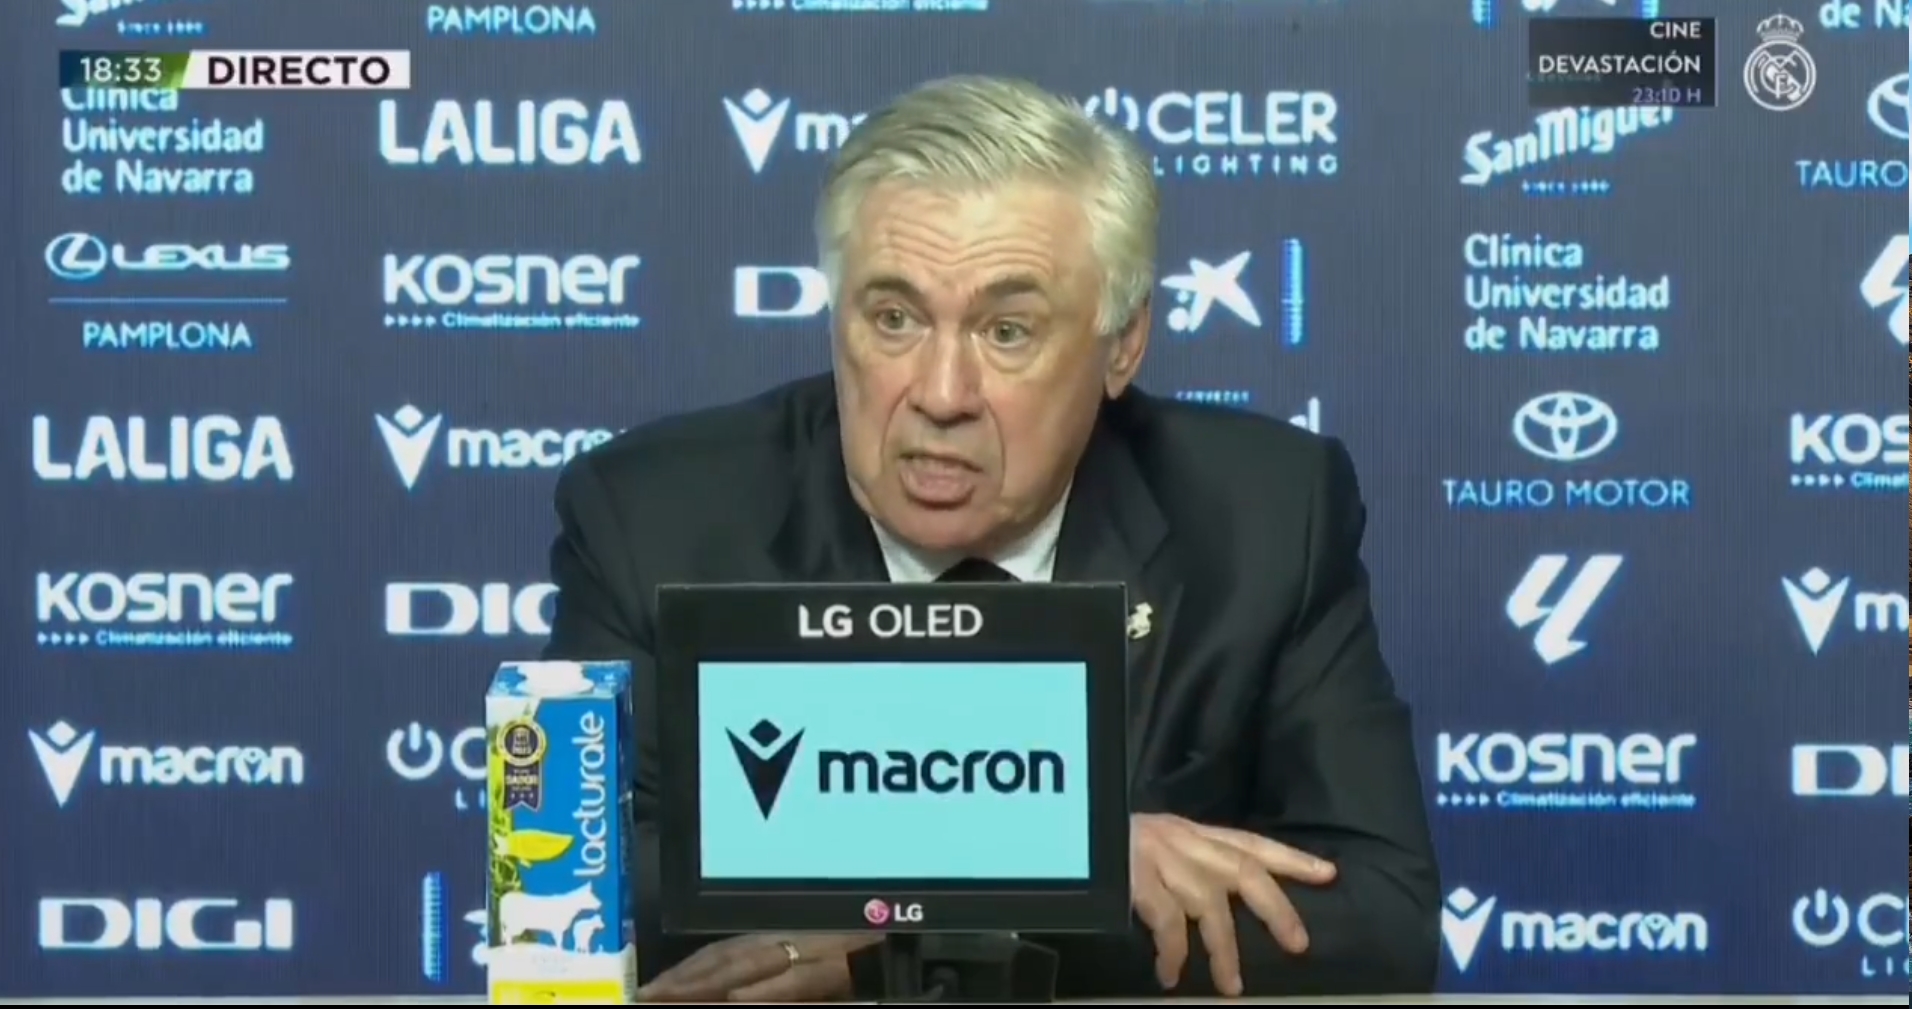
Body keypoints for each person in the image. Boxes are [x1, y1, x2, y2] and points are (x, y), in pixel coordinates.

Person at [541, 75, 1440, 1000]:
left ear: (1122, 344)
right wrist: (1062, 855)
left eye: (1007, 331)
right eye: (893, 318)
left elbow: (1381, 922)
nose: (941, 394)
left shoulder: (1265, 517)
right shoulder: (657, 516)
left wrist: (893, 949)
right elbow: (570, 891)